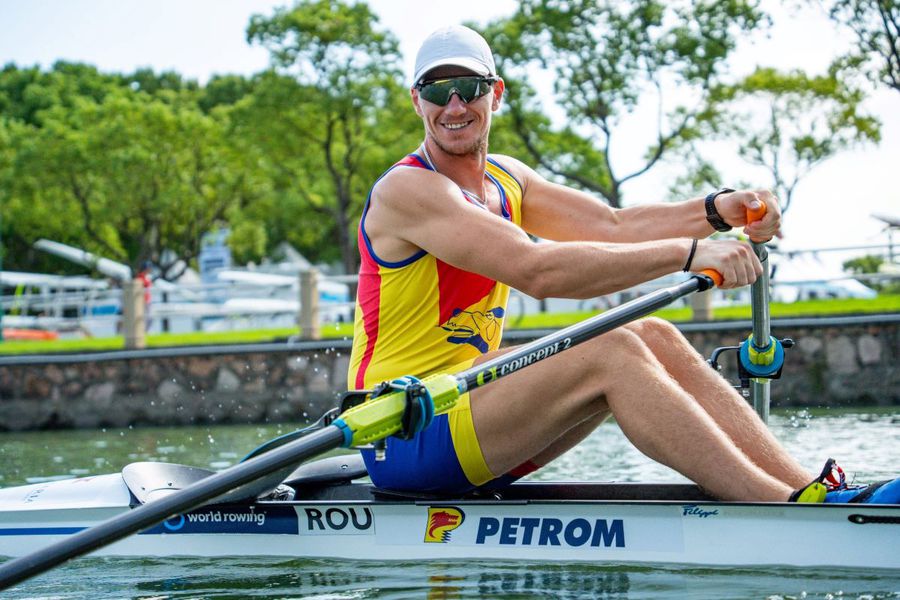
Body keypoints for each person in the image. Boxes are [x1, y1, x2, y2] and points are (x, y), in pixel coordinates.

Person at [347, 25, 897, 504]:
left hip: (467, 410)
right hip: (401, 431)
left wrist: (715, 211)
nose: (454, 107)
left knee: (652, 333)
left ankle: (815, 491)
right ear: (417, 101)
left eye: (468, 89)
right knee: (612, 348)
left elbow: (613, 225)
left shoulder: (508, 179)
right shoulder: (408, 191)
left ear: (496, 94)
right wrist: (688, 253)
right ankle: (783, 509)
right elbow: (536, 270)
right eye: (437, 92)